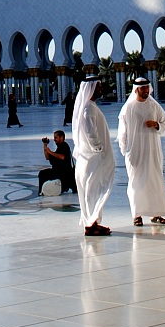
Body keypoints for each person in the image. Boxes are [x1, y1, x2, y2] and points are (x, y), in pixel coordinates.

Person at [117, 76, 165, 225]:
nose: (146, 91)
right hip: (135, 153)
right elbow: (122, 133)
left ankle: (156, 214)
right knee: (136, 183)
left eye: (147, 88)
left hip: (153, 151)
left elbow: (164, 122)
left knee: (155, 181)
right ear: (136, 89)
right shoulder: (128, 108)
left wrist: (157, 124)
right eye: (143, 88)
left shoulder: (154, 106)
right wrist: (125, 150)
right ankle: (137, 215)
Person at [72, 76, 115, 236]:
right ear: (90, 88)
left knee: (91, 190)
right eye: (98, 87)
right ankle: (91, 224)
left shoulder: (90, 107)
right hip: (92, 157)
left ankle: (92, 222)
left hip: (88, 157)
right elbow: (90, 132)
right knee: (92, 190)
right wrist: (98, 148)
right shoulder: (88, 108)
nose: (100, 89)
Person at [39, 130, 76, 194]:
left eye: (56, 137)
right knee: (42, 174)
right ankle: (41, 191)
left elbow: (62, 157)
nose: (54, 139)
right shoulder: (59, 148)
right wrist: (45, 146)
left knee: (43, 174)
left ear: (61, 137)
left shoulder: (64, 145)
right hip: (58, 171)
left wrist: (49, 151)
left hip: (64, 173)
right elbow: (47, 157)